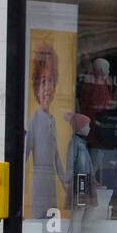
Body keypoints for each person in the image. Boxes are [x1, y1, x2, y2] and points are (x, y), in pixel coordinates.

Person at [27, 43, 70, 219]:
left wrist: (65, 182)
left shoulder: (52, 120)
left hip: (50, 182)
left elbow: (57, 157)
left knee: (51, 222)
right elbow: (25, 151)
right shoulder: (35, 119)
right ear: (36, 88)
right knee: (38, 221)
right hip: (38, 181)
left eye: (51, 80)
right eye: (43, 81)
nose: (47, 88)